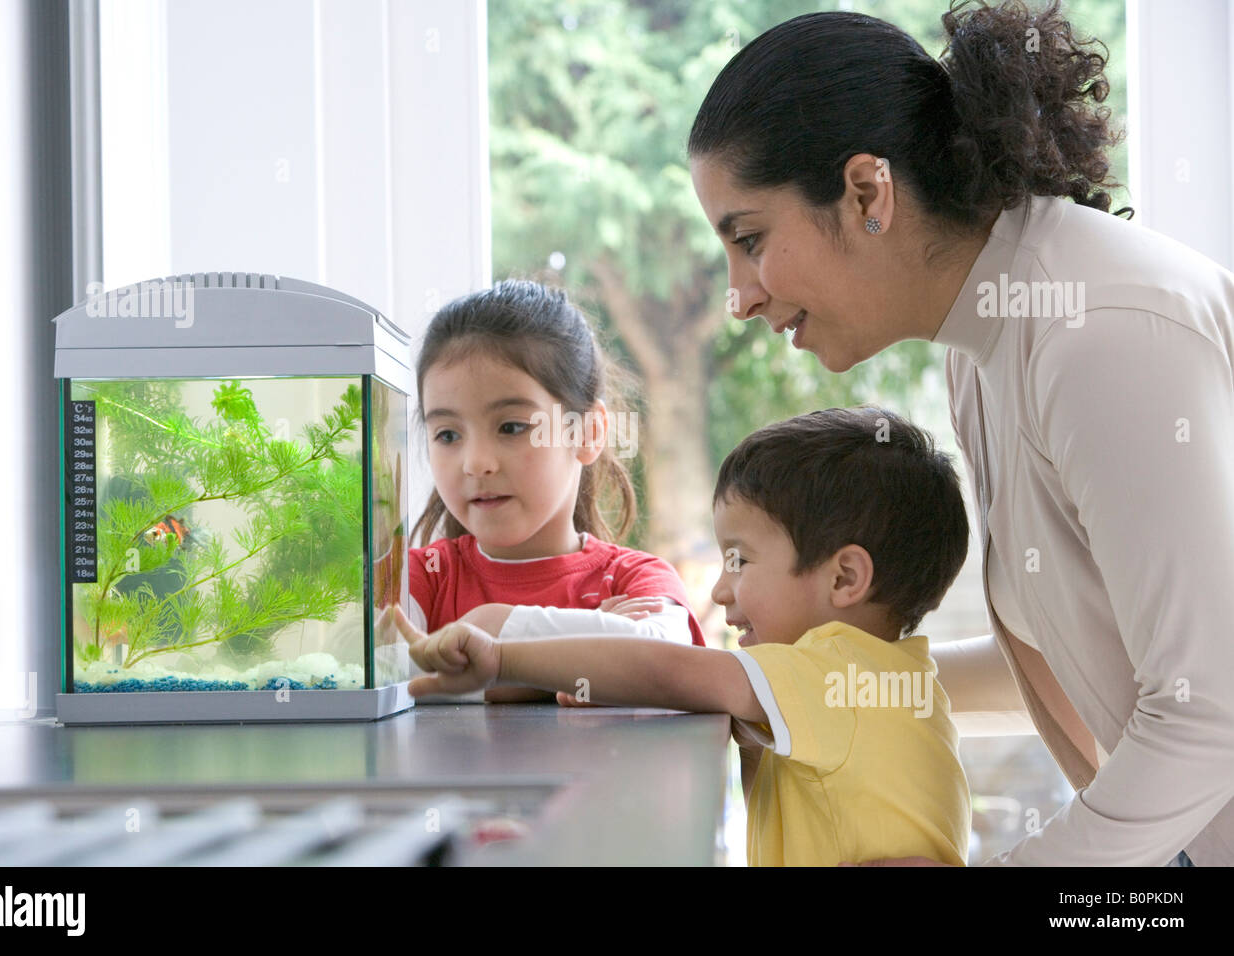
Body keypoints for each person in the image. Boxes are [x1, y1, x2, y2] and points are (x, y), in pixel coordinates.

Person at [685, 1, 1234, 865]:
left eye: (750, 239)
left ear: (868, 192)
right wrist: (801, 689)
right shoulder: (981, 346)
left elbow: (1209, 715)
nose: (740, 294)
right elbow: (1069, 651)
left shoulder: (1098, 333)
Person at [400, 406, 973, 866]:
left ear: (844, 577)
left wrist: (501, 658)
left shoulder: (833, 672)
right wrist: (606, 679)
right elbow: (675, 686)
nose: (721, 591)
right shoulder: (886, 675)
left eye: (741, 560)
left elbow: (671, 669)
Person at [407, 279, 705, 702]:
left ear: (588, 432)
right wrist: (586, 654)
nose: (475, 462)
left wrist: (493, 627)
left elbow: (668, 657)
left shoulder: (635, 578)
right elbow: (371, 668)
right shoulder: (423, 577)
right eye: (448, 434)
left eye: (511, 427)